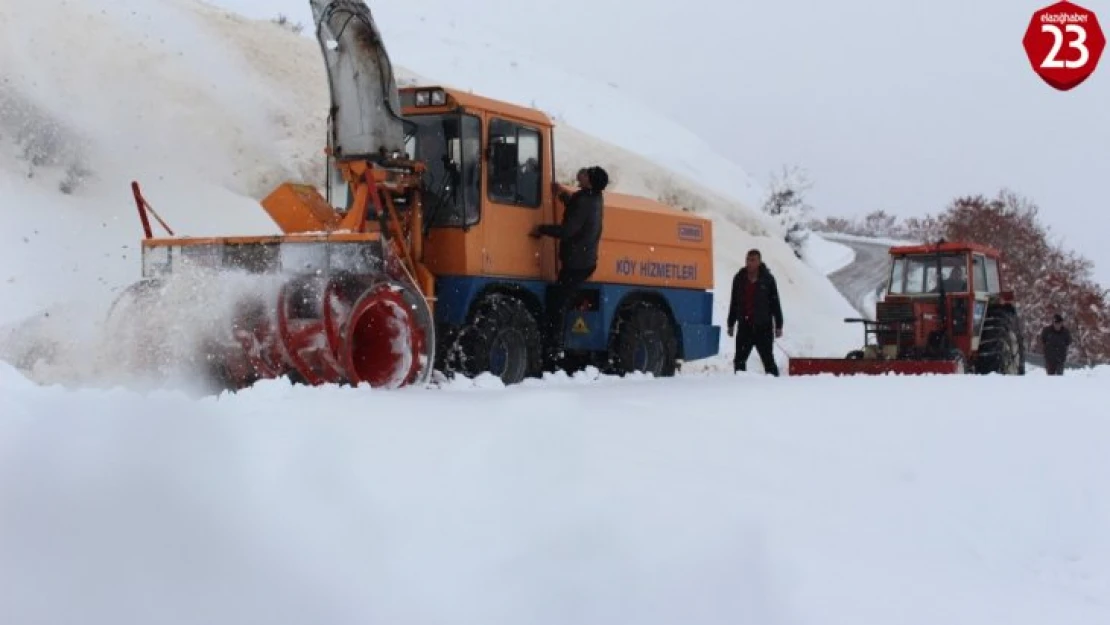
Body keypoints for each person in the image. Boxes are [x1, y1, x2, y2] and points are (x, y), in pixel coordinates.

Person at [531, 165, 609, 362]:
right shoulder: (592, 197)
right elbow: (576, 209)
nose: (581, 172)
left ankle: (554, 349)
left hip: (577, 263)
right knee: (560, 299)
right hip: (583, 261)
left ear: (589, 180)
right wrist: (562, 195)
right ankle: (555, 345)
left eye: (586, 173)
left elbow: (568, 230)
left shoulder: (585, 200)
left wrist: (541, 229)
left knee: (557, 302)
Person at [727, 249, 783, 376]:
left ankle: (776, 386)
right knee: (739, 361)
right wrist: (731, 323)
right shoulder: (739, 278)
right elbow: (734, 302)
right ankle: (741, 386)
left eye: (753, 260)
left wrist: (779, 325)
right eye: (747, 260)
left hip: (763, 327)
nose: (749, 263)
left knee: (768, 361)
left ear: (759, 262)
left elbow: (775, 303)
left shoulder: (767, 279)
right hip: (744, 327)